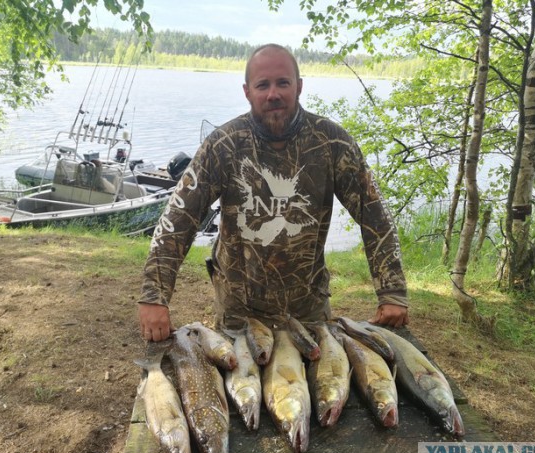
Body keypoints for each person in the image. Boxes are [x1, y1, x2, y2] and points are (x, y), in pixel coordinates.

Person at [138, 44, 409, 342]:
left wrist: (391, 291)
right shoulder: (224, 145)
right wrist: (154, 295)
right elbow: (178, 219)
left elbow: (375, 216)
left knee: (316, 386)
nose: (273, 94)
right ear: (247, 91)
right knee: (241, 388)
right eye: (262, 85)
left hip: (308, 309)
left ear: (299, 86)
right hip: (237, 311)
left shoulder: (331, 143)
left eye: (283, 82)